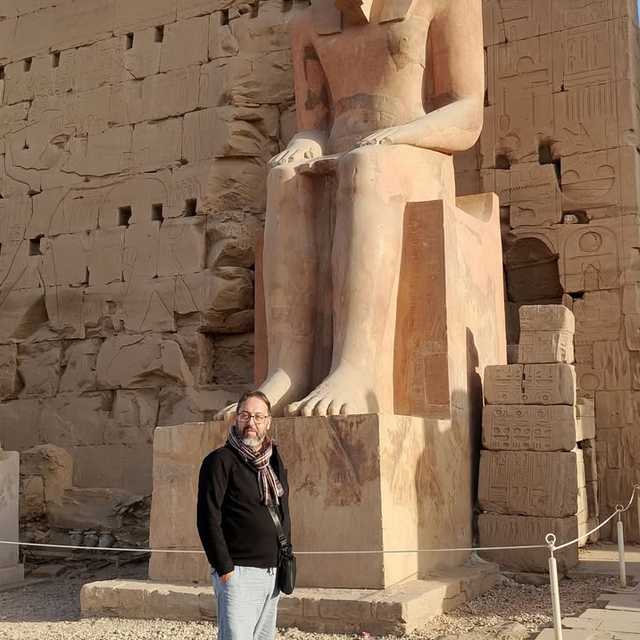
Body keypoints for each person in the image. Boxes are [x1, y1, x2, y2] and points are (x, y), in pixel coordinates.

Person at [220, 0, 485, 419]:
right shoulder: (308, 23)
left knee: (367, 165)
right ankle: (287, 372)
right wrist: (304, 143)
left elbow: (467, 114)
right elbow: (314, 124)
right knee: (284, 178)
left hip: (418, 152)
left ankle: (359, 369)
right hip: (345, 152)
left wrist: (400, 135)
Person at [197, 390, 291, 640]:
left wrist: (285, 557)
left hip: (272, 572)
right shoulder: (220, 461)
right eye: (245, 415)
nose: (251, 423)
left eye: (258, 417)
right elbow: (207, 518)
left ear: (268, 422)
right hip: (238, 573)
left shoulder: (274, 461)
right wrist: (225, 569)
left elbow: (283, 511)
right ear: (236, 418)